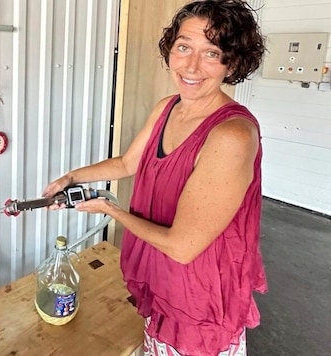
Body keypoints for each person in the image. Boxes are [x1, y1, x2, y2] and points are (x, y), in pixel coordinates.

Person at [42, 1, 266, 355]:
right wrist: (71, 177)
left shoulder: (231, 135)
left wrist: (109, 210)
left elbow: (182, 247)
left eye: (211, 53)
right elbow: (129, 163)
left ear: (233, 62)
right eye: (184, 47)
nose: (191, 66)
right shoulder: (168, 106)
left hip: (198, 294)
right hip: (162, 273)